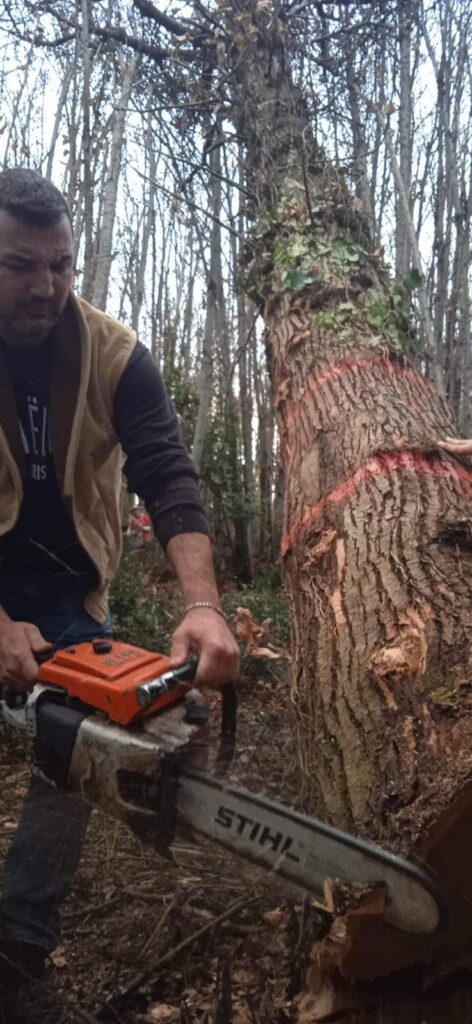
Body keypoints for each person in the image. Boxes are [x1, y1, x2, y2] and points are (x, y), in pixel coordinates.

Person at [0, 168, 239, 986]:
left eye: (61, 264)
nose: (46, 286)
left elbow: (166, 473)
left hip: (66, 581)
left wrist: (203, 604)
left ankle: (19, 945)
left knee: (79, 740)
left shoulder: (116, 354)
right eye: (21, 265)